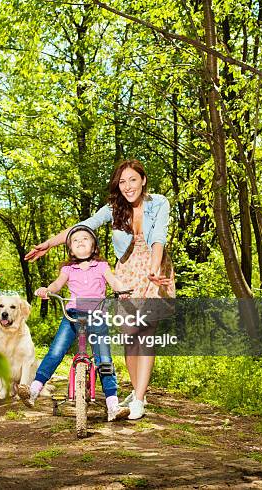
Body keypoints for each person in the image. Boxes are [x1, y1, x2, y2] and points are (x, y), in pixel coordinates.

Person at [25, 159, 175, 420]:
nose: (128, 186)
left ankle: (139, 398)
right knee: (130, 333)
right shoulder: (113, 208)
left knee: (146, 333)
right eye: (122, 181)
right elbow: (84, 226)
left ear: (143, 180)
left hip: (153, 268)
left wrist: (154, 268)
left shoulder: (160, 203)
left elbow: (159, 238)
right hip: (126, 270)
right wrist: (48, 244)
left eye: (132, 180)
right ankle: (138, 390)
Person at [19, 225, 131, 422]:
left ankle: (113, 404)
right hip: (72, 314)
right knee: (56, 351)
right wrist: (47, 289)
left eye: (85, 238)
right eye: (75, 240)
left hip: (96, 315)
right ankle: (34, 390)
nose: (80, 241)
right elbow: (57, 284)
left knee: (103, 358)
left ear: (94, 246)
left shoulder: (102, 267)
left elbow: (114, 282)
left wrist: (123, 290)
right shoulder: (67, 269)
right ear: (70, 249)